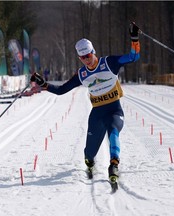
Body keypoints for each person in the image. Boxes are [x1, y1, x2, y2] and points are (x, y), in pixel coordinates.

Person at [31, 22, 141, 183]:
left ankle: (114, 164)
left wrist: (134, 38)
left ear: (93, 52)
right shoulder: (81, 74)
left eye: (88, 55)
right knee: (89, 153)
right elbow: (62, 90)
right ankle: (89, 161)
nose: (86, 60)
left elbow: (133, 57)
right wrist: (43, 84)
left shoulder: (109, 63)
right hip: (97, 114)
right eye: (82, 57)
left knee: (113, 131)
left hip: (113, 110)